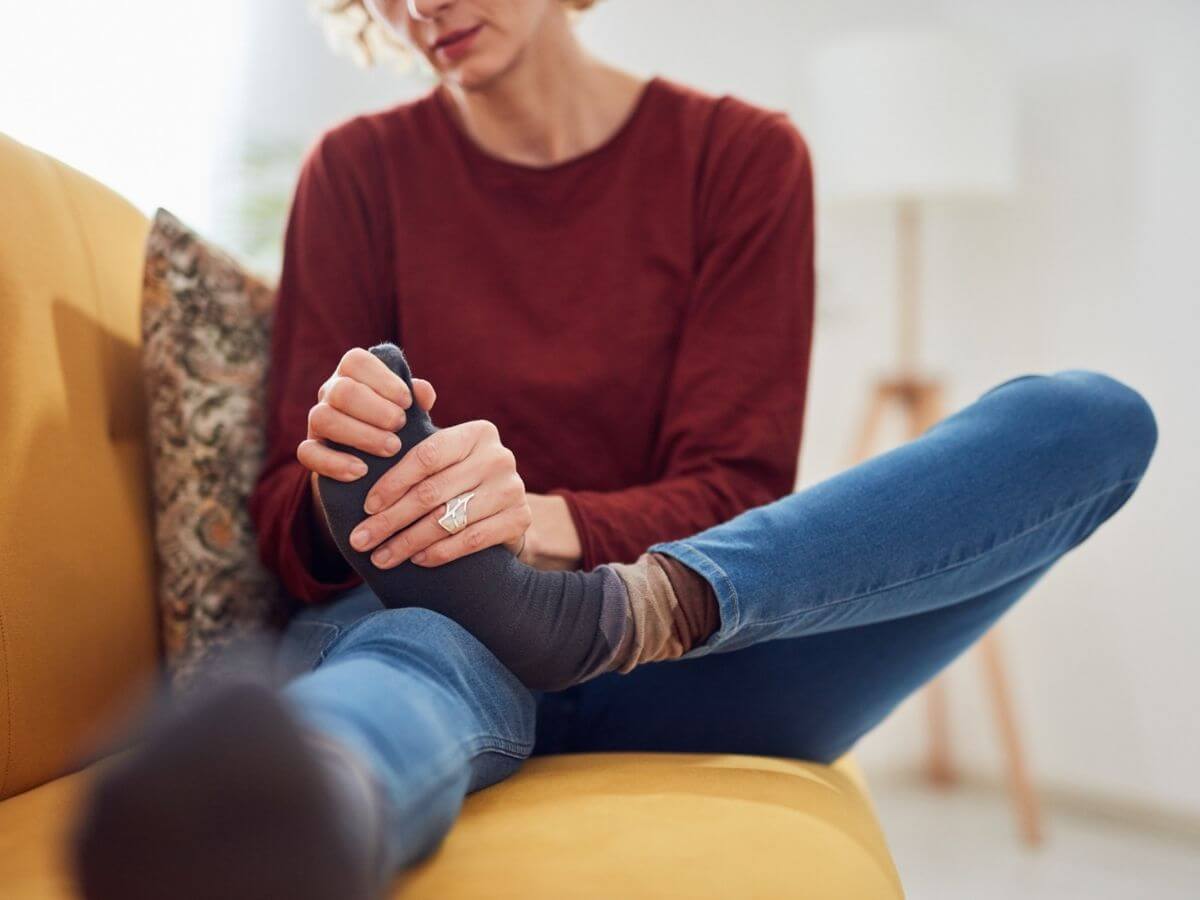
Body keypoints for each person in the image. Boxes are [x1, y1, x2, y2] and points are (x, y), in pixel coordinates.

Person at [69, 2, 1160, 899]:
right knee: (412, 659)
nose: (417, 9)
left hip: (681, 633)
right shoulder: (357, 172)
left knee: (1091, 419)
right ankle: (288, 817)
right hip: (434, 632)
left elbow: (739, 488)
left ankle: (585, 620)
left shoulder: (741, 159)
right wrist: (346, 483)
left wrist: (529, 524)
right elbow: (281, 525)